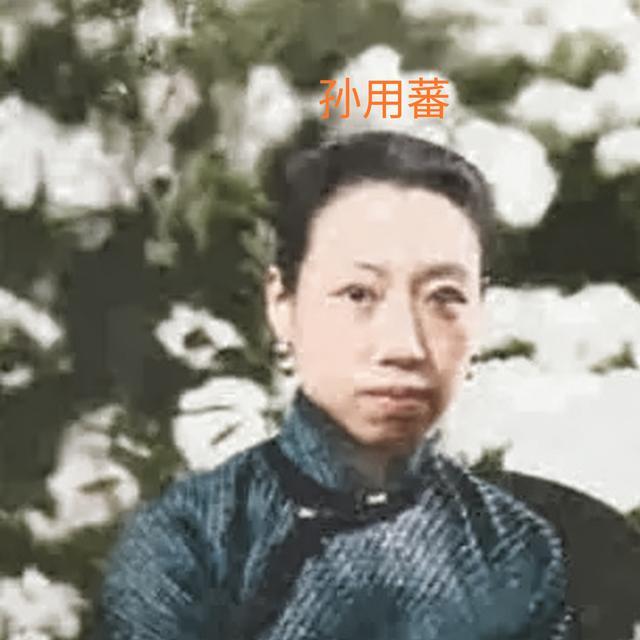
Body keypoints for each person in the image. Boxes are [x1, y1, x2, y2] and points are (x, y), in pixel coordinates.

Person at [94, 131, 574, 639]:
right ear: (283, 305)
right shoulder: (187, 543)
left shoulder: (513, 550)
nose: (404, 345)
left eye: (444, 297)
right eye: (358, 293)